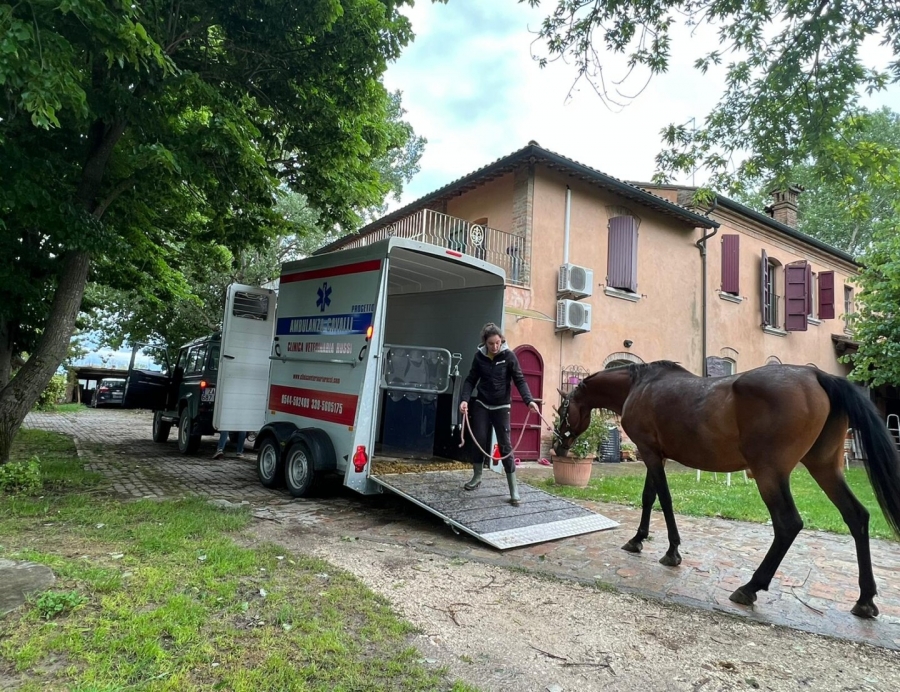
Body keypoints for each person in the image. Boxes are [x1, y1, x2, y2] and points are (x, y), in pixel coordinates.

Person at [459, 322, 540, 505]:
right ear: (485, 343)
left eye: (498, 343)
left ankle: (513, 489)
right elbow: (471, 380)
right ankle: (477, 476)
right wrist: (464, 399)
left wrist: (529, 401)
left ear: (501, 340)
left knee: (505, 445)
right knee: (479, 439)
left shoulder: (509, 356)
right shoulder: (479, 357)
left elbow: (519, 380)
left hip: (502, 406)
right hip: (481, 403)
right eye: (491, 344)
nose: (495, 347)